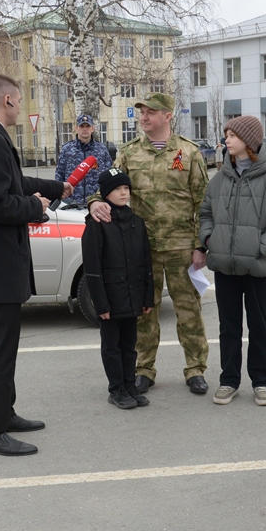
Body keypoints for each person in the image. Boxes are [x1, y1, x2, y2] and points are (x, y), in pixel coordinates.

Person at [0, 74, 72, 457]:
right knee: (2, 348)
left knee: (5, 345)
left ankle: (5, 414)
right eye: (20, 101)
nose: (22, 108)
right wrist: (36, 207)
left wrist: (55, 189)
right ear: (7, 99)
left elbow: (13, 181)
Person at [87, 92, 210, 396]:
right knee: (144, 311)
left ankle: (195, 369)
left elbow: (203, 203)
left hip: (182, 246)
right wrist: (93, 203)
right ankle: (144, 369)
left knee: (189, 311)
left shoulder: (189, 152)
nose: (143, 118)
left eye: (150, 113)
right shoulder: (129, 153)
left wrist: (201, 246)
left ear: (167, 116)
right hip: (140, 249)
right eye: (141, 113)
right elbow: (107, 185)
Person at [199, 116, 266, 406]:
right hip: (226, 268)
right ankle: (229, 380)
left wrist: (258, 247)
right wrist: (209, 241)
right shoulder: (218, 180)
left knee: (259, 326)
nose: (226, 139)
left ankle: (261, 381)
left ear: (249, 141)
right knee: (228, 327)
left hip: (258, 267)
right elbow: (205, 215)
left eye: (232, 135)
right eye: (226, 135)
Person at [82, 167, 155, 409]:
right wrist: (100, 303)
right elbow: (92, 268)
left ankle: (129, 384)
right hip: (111, 299)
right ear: (105, 194)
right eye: (117, 189)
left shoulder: (137, 222)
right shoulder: (97, 224)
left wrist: (147, 297)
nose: (123, 193)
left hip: (133, 296)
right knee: (111, 346)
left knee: (129, 344)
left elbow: (146, 264)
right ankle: (116, 389)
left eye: (126, 188)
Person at [55, 113, 113, 204]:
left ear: (92, 129)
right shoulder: (67, 149)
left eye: (88, 126)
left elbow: (109, 175)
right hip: (72, 201)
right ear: (76, 128)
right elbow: (59, 175)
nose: (85, 129)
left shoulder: (101, 149)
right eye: (82, 126)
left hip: (96, 202)